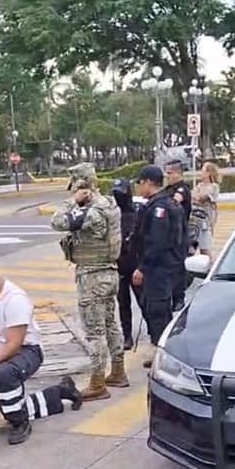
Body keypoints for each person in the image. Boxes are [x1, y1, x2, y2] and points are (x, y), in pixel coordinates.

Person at [0, 245, 83, 445]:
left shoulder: (15, 299)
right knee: (9, 404)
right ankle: (61, 392)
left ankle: (20, 423)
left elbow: (13, 345)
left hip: (26, 351)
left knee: (3, 377)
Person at [51, 163, 127, 400]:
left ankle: (97, 383)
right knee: (111, 324)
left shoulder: (91, 211)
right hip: (110, 274)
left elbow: (57, 222)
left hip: (93, 277)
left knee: (94, 333)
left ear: (81, 185)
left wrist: (73, 201)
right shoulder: (109, 204)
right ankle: (117, 371)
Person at [133, 166, 183, 368]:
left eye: (139, 183)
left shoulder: (159, 208)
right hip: (166, 267)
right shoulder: (163, 203)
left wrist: (142, 268)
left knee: (158, 311)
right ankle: (161, 352)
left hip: (159, 268)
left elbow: (156, 242)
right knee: (157, 310)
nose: (138, 188)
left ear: (147, 182)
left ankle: (165, 356)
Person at [111, 178, 142, 351]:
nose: (118, 197)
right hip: (118, 267)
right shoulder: (112, 214)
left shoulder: (138, 211)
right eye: (115, 194)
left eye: (120, 193)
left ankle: (155, 334)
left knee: (144, 303)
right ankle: (127, 336)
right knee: (123, 304)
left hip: (136, 267)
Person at [164, 158, 192, 310]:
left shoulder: (182, 189)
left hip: (180, 234)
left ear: (178, 173)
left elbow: (175, 202)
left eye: (169, 173)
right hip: (168, 235)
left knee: (178, 269)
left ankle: (179, 298)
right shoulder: (167, 189)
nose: (167, 176)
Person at [191, 161, 221, 258]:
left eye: (203, 170)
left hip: (206, 221)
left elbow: (202, 198)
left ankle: (210, 268)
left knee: (205, 249)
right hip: (195, 220)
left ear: (208, 173)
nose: (201, 172)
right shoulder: (198, 186)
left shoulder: (214, 187)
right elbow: (193, 198)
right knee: (192, 247)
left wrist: (199, 198)